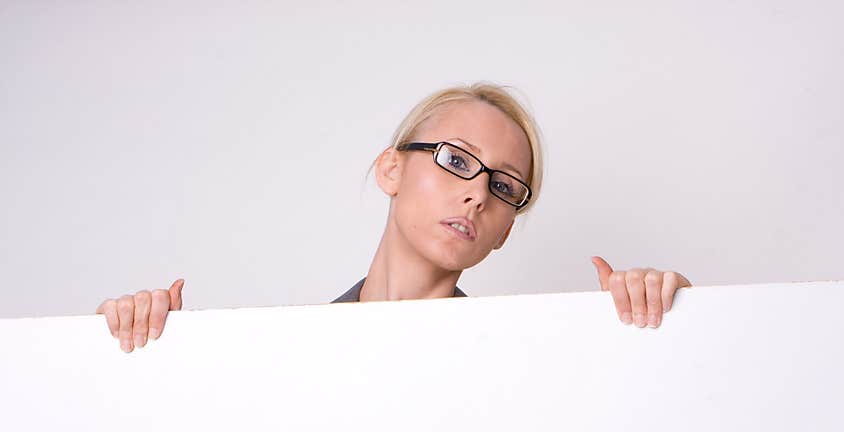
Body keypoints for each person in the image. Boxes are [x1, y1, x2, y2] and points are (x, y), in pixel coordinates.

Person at [96, 82, 692, 353]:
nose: (477, 195)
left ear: (507, 226)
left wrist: (667, 319)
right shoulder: (284, 353)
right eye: (456, 159)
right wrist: (134, 338)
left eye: (504, 186)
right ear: (391, 170)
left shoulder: (521, 359)